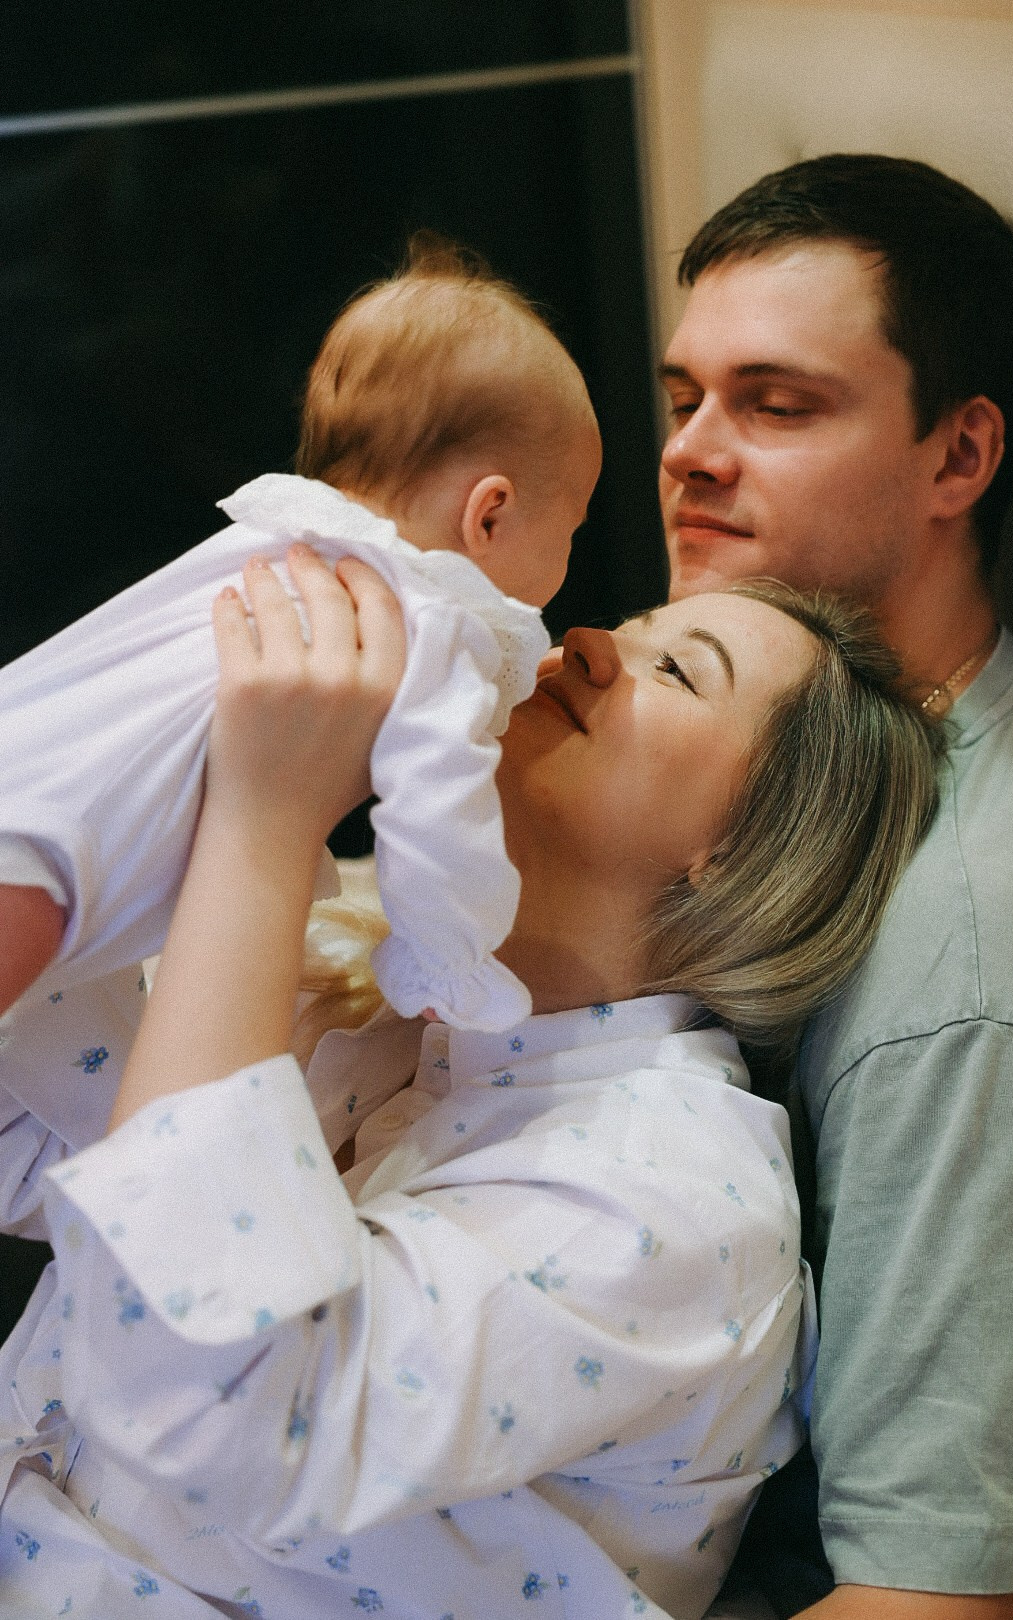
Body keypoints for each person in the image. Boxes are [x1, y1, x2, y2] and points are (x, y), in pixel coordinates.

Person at [0, 549, 939, 1618]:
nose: (586, 643)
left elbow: (207, 1401)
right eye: (633, 623)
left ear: (745, 849)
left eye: (680, 671)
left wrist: (261, 825)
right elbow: (38, 1140)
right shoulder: (401, 1004)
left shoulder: (680, 1210)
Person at [657, 153, 1013, 1617]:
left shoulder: (958, 975)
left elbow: (944, 1602)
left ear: (960, 459)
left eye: (777, 406)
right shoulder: (776, 748)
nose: (695, 452)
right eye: (686, 397)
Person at [0, 241, 602, 1240]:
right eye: (571, 529)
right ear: (488, 514)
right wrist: (446, 965)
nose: (568, 564)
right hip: (60, 863)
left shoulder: (276, 538)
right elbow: (435, 819)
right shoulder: (425, 614)